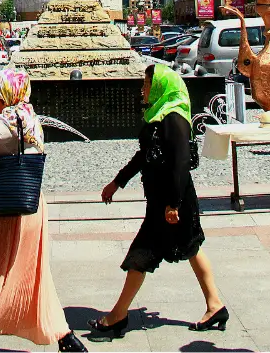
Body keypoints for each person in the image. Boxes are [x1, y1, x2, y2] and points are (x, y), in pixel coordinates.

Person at [0, 68, 86, 352]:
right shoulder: (29, 115)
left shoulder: (9, 119)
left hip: (6, 205)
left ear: (6, 94)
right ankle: (63, 336)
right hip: (30, 203)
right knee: (32, 274)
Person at [91, 64, 227, 339]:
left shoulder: (174, 117)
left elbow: (181, 163)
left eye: (146, 84)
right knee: (189, 246)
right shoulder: (158, 116)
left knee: (141, 254)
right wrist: (118, 182)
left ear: (161, 86)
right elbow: (144, 155)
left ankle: (118, 315)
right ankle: (215, 305)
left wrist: (174, 204)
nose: (142, 89)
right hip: (162, 199)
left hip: (171, 200)